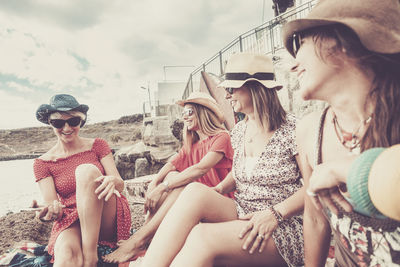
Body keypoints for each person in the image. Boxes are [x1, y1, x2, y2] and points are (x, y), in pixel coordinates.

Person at [140, 52, 305, 267]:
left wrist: (276, 214)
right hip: (243, 210)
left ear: (254, 88)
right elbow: (238, 173)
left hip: (281, 225)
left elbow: (314, 187)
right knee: (195, 192)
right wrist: (217, 190)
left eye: (230, 89)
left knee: (201, 236)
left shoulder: (294, 129)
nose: (227, 96)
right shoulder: (239, 131)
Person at [282, 0, 400, 265]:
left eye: (300, 43)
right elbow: (315, 219)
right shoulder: (310, 130)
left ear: (341, 43)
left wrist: (349, 170)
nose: (292, 65)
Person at [103, 91, 235, 263]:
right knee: (173, 176)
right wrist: (155, 184)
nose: (184, 118)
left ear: (203, 113)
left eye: (189, 112)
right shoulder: (192, 145)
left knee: (178, 183)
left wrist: (164, 187)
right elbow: (171, 165)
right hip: (197, 200)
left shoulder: (221, 137)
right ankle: (145, 238)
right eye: (183, 114)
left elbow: (200, 169)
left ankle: (141, 240)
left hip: (221, 200)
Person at [33, 94, 131, 267]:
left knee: (86, 171)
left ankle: (90, 257)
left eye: (73, 121)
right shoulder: (42, 163)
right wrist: (48, 214)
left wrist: (112, 182)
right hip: (72, 217)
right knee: (65, 256)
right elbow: (54, 208)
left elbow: (120, 184)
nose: (66, 127)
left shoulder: (97, 145)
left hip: (106, 211)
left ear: (81, 121)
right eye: (58, 123)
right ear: (50, 123)